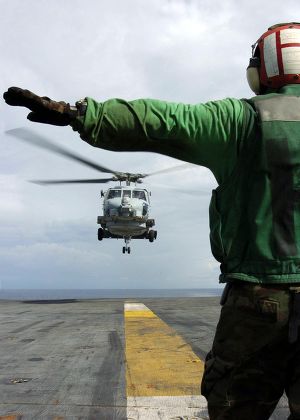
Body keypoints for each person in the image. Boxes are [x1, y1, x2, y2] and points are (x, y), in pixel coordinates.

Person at [4, 22, 300, 420]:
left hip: (256, 298)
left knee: (236, 407)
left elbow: (162, 120)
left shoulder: (241, 120)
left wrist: (79, 114)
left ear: (260, 71)